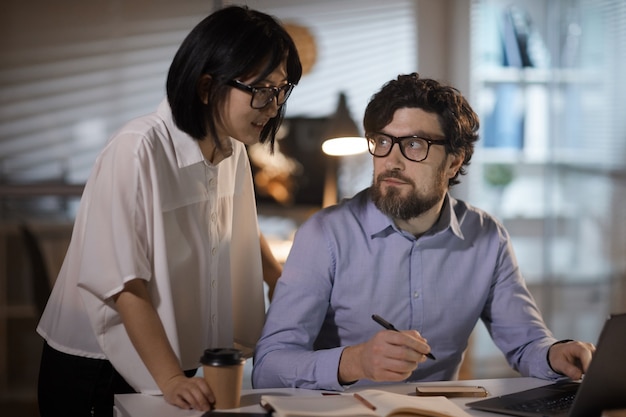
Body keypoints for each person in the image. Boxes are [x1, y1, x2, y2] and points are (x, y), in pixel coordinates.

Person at [252, 73, 595, 391]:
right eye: (383, 141)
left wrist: (556, 354)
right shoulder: (325, 234)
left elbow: (526, 344)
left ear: (454, 161)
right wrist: (355, 361)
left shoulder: (487, 237)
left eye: (414, 144)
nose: (392, 161)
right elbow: (269, 365)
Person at [36, 5, 301, 416]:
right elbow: (122, 281)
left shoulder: (231, 149)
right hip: (103, 364)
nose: (273, 105)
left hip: (175, 356)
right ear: (207, 86)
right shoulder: (138, 148)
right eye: (262, 90)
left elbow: (237, 228)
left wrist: (278, 281)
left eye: (281, 89)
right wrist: (172, 379)